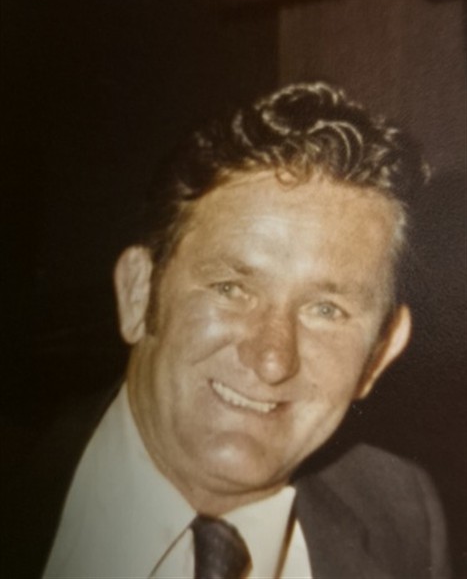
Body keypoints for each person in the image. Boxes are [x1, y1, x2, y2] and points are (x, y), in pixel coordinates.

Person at [10, 82, 450, 578]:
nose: (272, 358)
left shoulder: (401, 517)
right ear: (138, 294)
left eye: (326, 310)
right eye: (230, 288)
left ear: (381, 353)